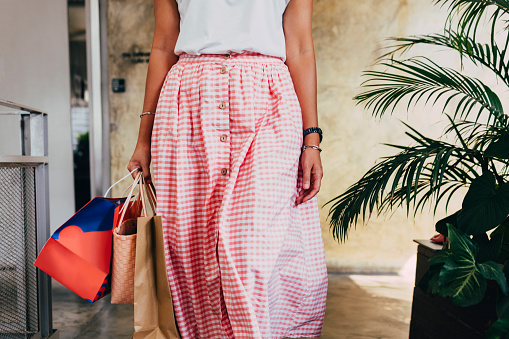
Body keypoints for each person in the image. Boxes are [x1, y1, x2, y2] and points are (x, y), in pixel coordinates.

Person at [127, 0, 328, 337]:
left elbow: (301, 48)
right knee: (190, 248)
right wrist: (143, 139)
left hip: (268, 100)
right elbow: (163, 44)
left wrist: (311, 139)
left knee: (251, 247)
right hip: (188, 101)